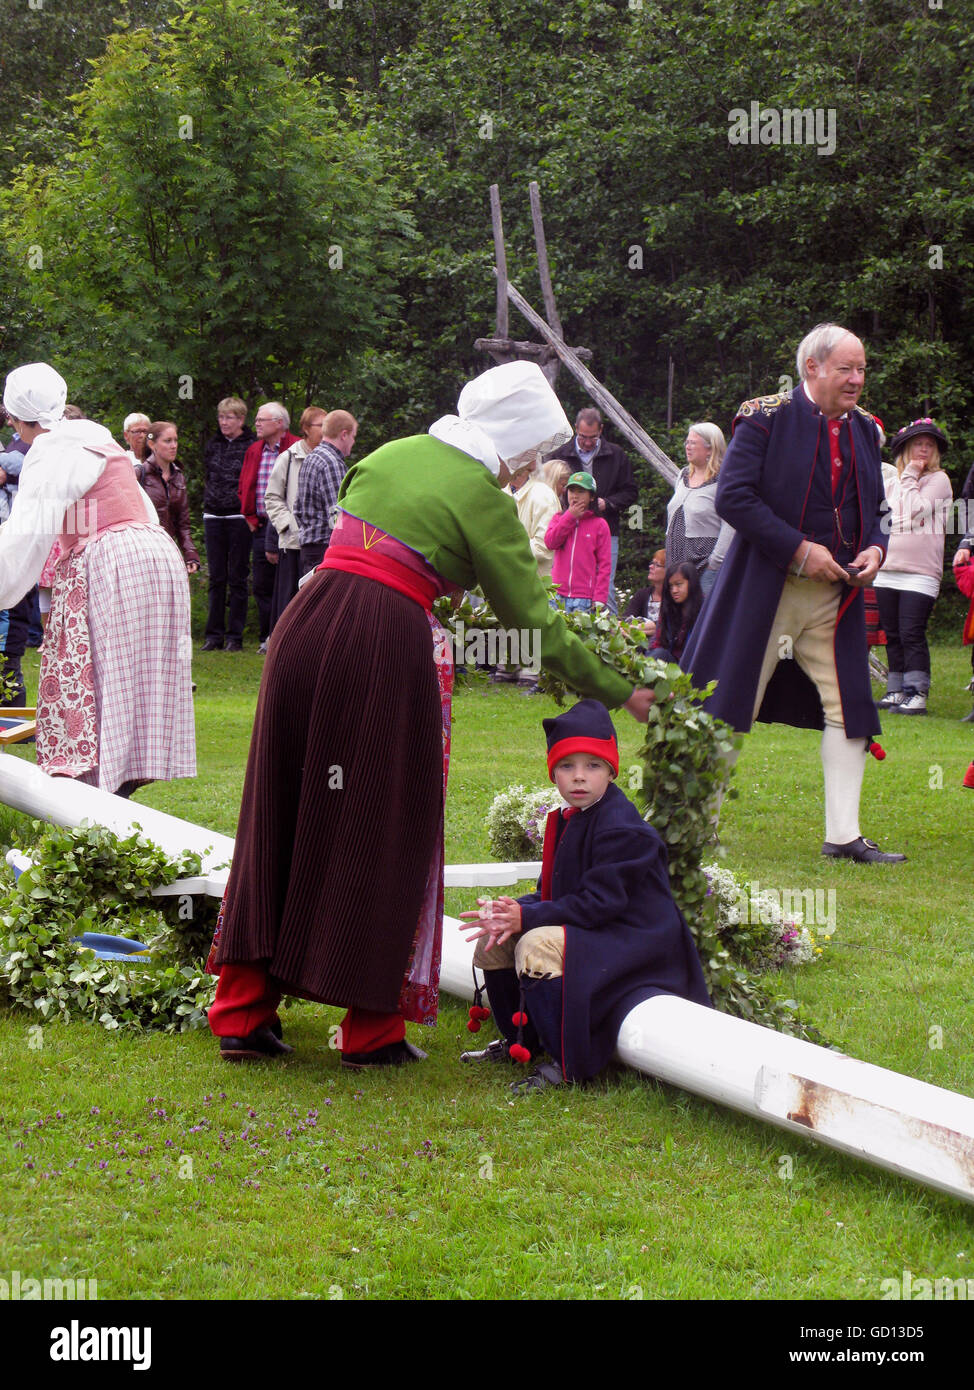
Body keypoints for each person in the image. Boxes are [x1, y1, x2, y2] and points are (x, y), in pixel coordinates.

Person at [206, 361, 655, 1070]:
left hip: (306, 621)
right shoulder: (482, 498)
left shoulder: (389, 453)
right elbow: (532, 622)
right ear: (511, 442)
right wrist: (621, 689)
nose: (530, 469)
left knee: (281, 807)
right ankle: (370, 1029)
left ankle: (240, 1011)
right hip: (382, 642)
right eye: (533, 453)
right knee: (385, 820)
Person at [681, 322, 904, 864]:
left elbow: (878, 508)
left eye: (862, 369)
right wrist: (800, 550)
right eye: (846, 369)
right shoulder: (763, 418)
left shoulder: (867, 430)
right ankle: (694, 830)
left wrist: (877, 549)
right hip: (767, 589)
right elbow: (734, 498)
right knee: (724, 702)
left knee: (851, 706)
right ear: (813, 368)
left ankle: (844, 835)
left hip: (836, 597)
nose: (857, 380)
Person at [458, 699, 711, 1092]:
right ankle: (520, 1041)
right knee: (499, 937)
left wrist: (528, 919)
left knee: (538, 945)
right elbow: (558, 893)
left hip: (636, 939)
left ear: (611, 770)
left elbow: (600, 903)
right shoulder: (569, 818)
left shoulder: (622, 828)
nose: (579, 777)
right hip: (598, 924)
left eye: (592, 766)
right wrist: (509, 911)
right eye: (567, 766)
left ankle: (569, 1062)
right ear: (552, 773)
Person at [0, 362, 195, 795]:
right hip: (154, 554)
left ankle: (100, 808)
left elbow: (24, 537)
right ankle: (119, 795)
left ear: (18, 417)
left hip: (111, 559)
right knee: (129, 685)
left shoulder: (51, 450)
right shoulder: (94, 434)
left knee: (97, 684)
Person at [873, 419, 952, 716]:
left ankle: (917, 693)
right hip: (887, 568)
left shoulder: (939, 480)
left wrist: (911, 477)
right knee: (892, 634)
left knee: (911, 632)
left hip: (920, 573)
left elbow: (915, 510)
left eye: (929, 445)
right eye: (918, 443)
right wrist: (904, 517)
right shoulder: (892, 481)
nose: (923, 448)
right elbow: (884, 518)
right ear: (906, 448)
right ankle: (895, 690)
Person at [549, 408, 637, 614]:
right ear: (575, 430)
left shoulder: (616, 455)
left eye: (593, 437)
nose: (587, 442)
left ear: (601, 431)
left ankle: (610, 635)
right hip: (568, 527)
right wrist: (566, 513)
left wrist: (608, 503)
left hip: (604, 526)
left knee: (606, 587)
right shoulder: (561, 453)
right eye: (582, 437)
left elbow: (631, 491)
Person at [238, 403, 300, 653]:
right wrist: (249, 515)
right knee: (262, 584)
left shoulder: (295, 448)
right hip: (260, 525)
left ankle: (286, 635)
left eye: (262, 420)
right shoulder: (255, 449)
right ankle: (267, 636)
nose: (257, 424)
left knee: (287, 583)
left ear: (279, 423)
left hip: (288, 526)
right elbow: (245, 484)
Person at [263, 405, 326, 632]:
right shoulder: (288, 458)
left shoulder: (329, 458)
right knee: (289, 599)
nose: (326, 430)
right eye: (321, 425)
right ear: (307, 429)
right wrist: (287, 524)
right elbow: (272, 497)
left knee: (313, 598)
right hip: (293, 543)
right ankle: (281, 642)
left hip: (320, 542)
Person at [201, 398, 256, 651]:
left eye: (230, 417)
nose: (224, 422)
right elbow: (206, 474)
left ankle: (235, 636)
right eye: (221, 417)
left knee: (237, 577)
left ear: (241, 420)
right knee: (216, 577)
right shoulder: (213, 444)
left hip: (238, 517)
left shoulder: (252, 445)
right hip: (213, 515)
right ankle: (213, 635)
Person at [665, 422, 734, 595]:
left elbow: (731, 525)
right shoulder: (683, 475)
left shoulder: (723, 481)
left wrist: (714, 563)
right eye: (687, 442)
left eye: (693, 443)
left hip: (704, 569)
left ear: (710, 449)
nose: (688, 447)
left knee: (702, 619)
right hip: (676, 567)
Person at [296, 409, 357, 577]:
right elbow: (337, 516)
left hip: (309, 548)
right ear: (344, 435)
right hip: (324, 551)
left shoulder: (311, 457)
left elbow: (297, 508)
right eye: (353, 436)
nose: (353, 442)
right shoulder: (332, 463)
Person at [544, 471, 611, 612]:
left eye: (581, 491)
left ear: (592, 496)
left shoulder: (600, 525)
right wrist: (569, 517)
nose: (575, 495)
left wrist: (600, 597)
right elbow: (550, 542)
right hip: (557, 594)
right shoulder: (559, 517)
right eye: (571, 490)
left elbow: (604, 565)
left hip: (584, 597)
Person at [140, 421, 200, 574]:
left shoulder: (178, 477)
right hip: (143, 552)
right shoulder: (139, 474)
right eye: (167, 441)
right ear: (152, 444)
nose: (174, 445)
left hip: (169, 551)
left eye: (175, 440)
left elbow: (183, 523)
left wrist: (190, 555)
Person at [651, 562, 703, 663]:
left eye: (678, 584)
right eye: (671, 586)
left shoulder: (704, 610)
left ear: (691, 583)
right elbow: (658, 642)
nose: (674, 590)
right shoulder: (669, 609)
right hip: (669, 664)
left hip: (693, 666)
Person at [624, 548, 666, 640]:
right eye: (652, 563)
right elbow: (626, 618)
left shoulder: (673, 598)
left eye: (657, 565)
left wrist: (636, 628)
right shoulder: (642, 594)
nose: (651, 566)